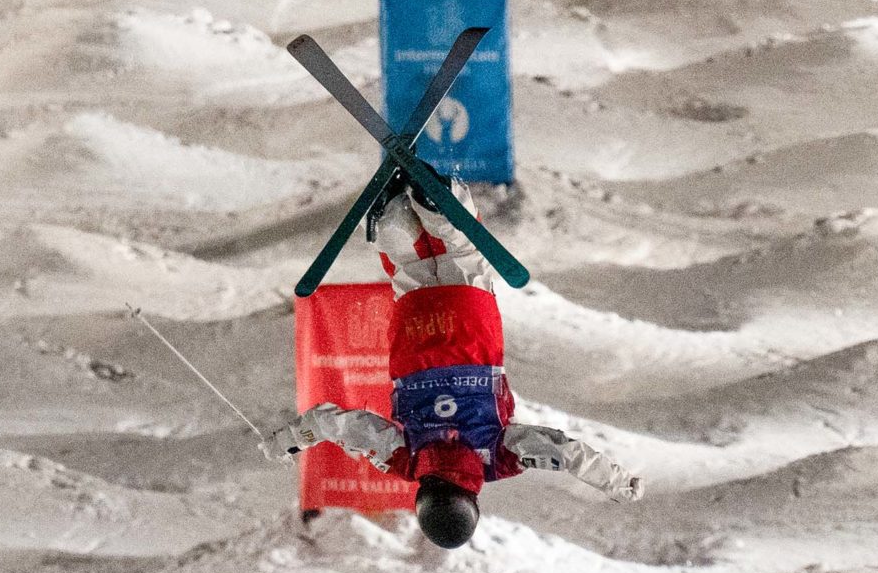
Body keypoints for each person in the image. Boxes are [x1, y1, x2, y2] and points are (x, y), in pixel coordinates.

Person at [273, 179, 640, 547]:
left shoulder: (499, 458)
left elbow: (564, 452)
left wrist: (616, 481)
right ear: (422, 501)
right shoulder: (406, 460)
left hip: (470, 333)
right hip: (415, 336)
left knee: (462, 257)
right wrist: (291, 439)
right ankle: (395, 223)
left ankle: (442, 205)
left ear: (472, 502)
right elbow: (342, 426)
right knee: (410, 267)